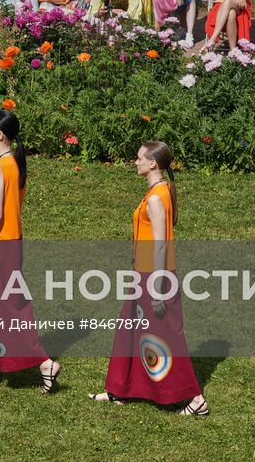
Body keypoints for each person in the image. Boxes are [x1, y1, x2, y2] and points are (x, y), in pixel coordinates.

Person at [89, 141, 207, 416]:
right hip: (145, 273)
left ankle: (196, 399)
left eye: (139, 158)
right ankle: (119, 389)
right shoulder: (160, 191)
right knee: (129, 329)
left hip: (154, 276)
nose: (136, 162)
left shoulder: (156, 197)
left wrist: (155, 288)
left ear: (153, 163)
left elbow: (161, 245)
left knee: (166, 336)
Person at [0, 110, 61, 392]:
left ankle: (45, 363)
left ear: (0, 135)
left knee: (8, 307)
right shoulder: (14, 165)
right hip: (9, 242)